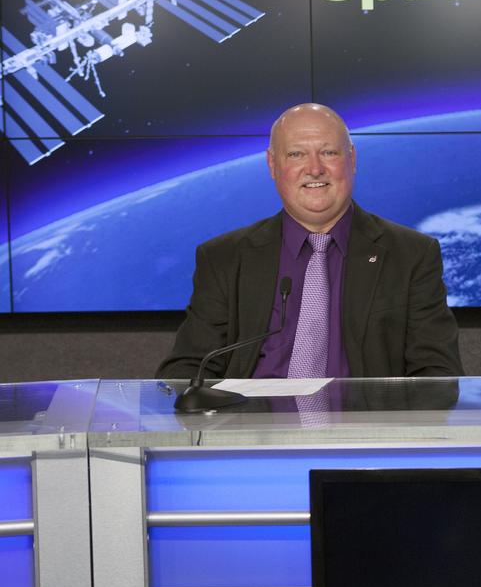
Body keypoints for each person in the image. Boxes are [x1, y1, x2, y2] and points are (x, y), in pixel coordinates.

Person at [157, 103, 463, 380]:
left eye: (329, 152)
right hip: (252, 432)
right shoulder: (224, 258)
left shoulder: (411, 254)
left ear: (352, 159)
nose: (315, 168)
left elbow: (438, 374)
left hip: (364, 433)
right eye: (296, 154)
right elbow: (186, 372)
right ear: (272, 165)